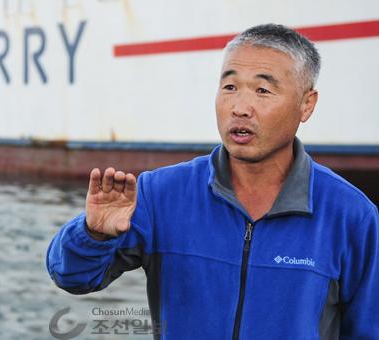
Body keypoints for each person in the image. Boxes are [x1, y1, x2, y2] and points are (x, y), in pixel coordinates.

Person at [46, 24, 379, 339]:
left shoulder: (351, 216)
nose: (239, 107)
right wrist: (94, 235)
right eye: (230, 86)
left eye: (262, 90)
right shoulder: (160, 195)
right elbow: (72, 277)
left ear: (307, 104)